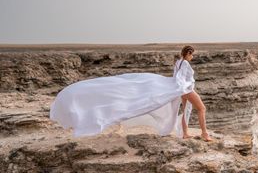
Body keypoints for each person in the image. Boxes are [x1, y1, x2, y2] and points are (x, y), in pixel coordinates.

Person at [49, 45, 213, 141]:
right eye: (193, 55)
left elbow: (175, 77)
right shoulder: (184, 64)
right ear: (188, 54)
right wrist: (184, 88)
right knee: (201, 108)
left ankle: (185, 133)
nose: (193, 57)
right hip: (185, 89)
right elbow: (180, 80)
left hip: (181, 89)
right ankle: (205, 134)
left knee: (185, 110)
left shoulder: (177, 62)